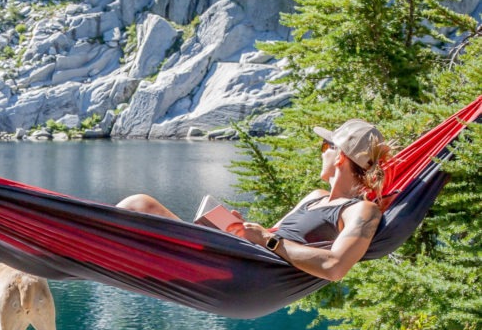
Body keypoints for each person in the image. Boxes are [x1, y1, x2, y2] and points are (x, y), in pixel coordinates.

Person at [117, 119, 392, 283]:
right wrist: (241, 230)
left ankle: (81, 251)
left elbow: (335, 267)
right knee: (139, 205)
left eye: (325, 148)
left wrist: (265, 239)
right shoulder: (314, 198)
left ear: (340, 157)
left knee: (136, 206)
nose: (321, 153)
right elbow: (270, 235)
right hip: (239, 254)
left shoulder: (362, 210)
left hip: (247, 275)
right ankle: (81, 254)